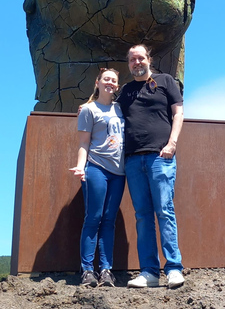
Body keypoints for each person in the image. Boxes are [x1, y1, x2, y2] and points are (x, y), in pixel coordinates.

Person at [118, 44, 185, 289]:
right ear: (129, 64)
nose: (137, 62)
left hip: (161, 157)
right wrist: (89, 105)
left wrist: (172, 143)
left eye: (140, 58)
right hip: (134, 160)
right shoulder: (125, 92)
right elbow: (109, 112)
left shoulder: (166, 81)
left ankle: (174, 268)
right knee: (143, 216)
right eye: (132, 59)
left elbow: (178, 113)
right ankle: (149, 272)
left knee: (164, 211)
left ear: (149, 59)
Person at [69, 68, 126, 287]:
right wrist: (81, 167)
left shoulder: (121, 109)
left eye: (114, 80)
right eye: (106, 79)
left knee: (109, 221)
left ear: (117, 86)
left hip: (119, 173)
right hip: (96, 168)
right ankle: (87, 271)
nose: (110, 83)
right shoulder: (88, 110)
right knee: (93, 218)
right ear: (98, 82)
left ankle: (106, 270)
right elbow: (84, 143)